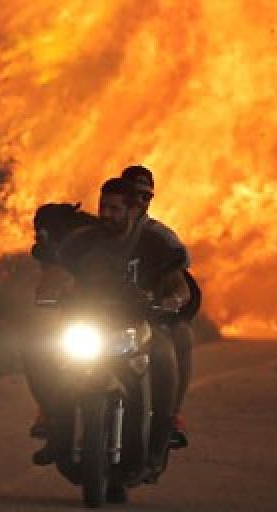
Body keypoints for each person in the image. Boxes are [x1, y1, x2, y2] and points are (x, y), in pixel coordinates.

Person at [28, 177, 191, 468]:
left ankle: (160, 440)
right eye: (103, 207)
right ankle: (55, 425)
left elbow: (180, 287)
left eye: (115, 209)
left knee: (165, 356)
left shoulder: (155, 241)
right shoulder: (81, 241)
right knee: (37, 350)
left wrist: (171, 302)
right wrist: (49, 293)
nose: (107, 215)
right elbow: (59, 274)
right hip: (90, 322)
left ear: (132, 211)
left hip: (140, 323)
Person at [120, 165, 195, 448]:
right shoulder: (95, 234)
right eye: (131, 195)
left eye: (144, 196)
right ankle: (54, 414)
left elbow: (180, 287)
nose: (138, 202)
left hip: (145, 320)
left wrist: (168, 303)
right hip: (99, 319)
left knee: (171, 347)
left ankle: (168, 419)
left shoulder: (160, 238)